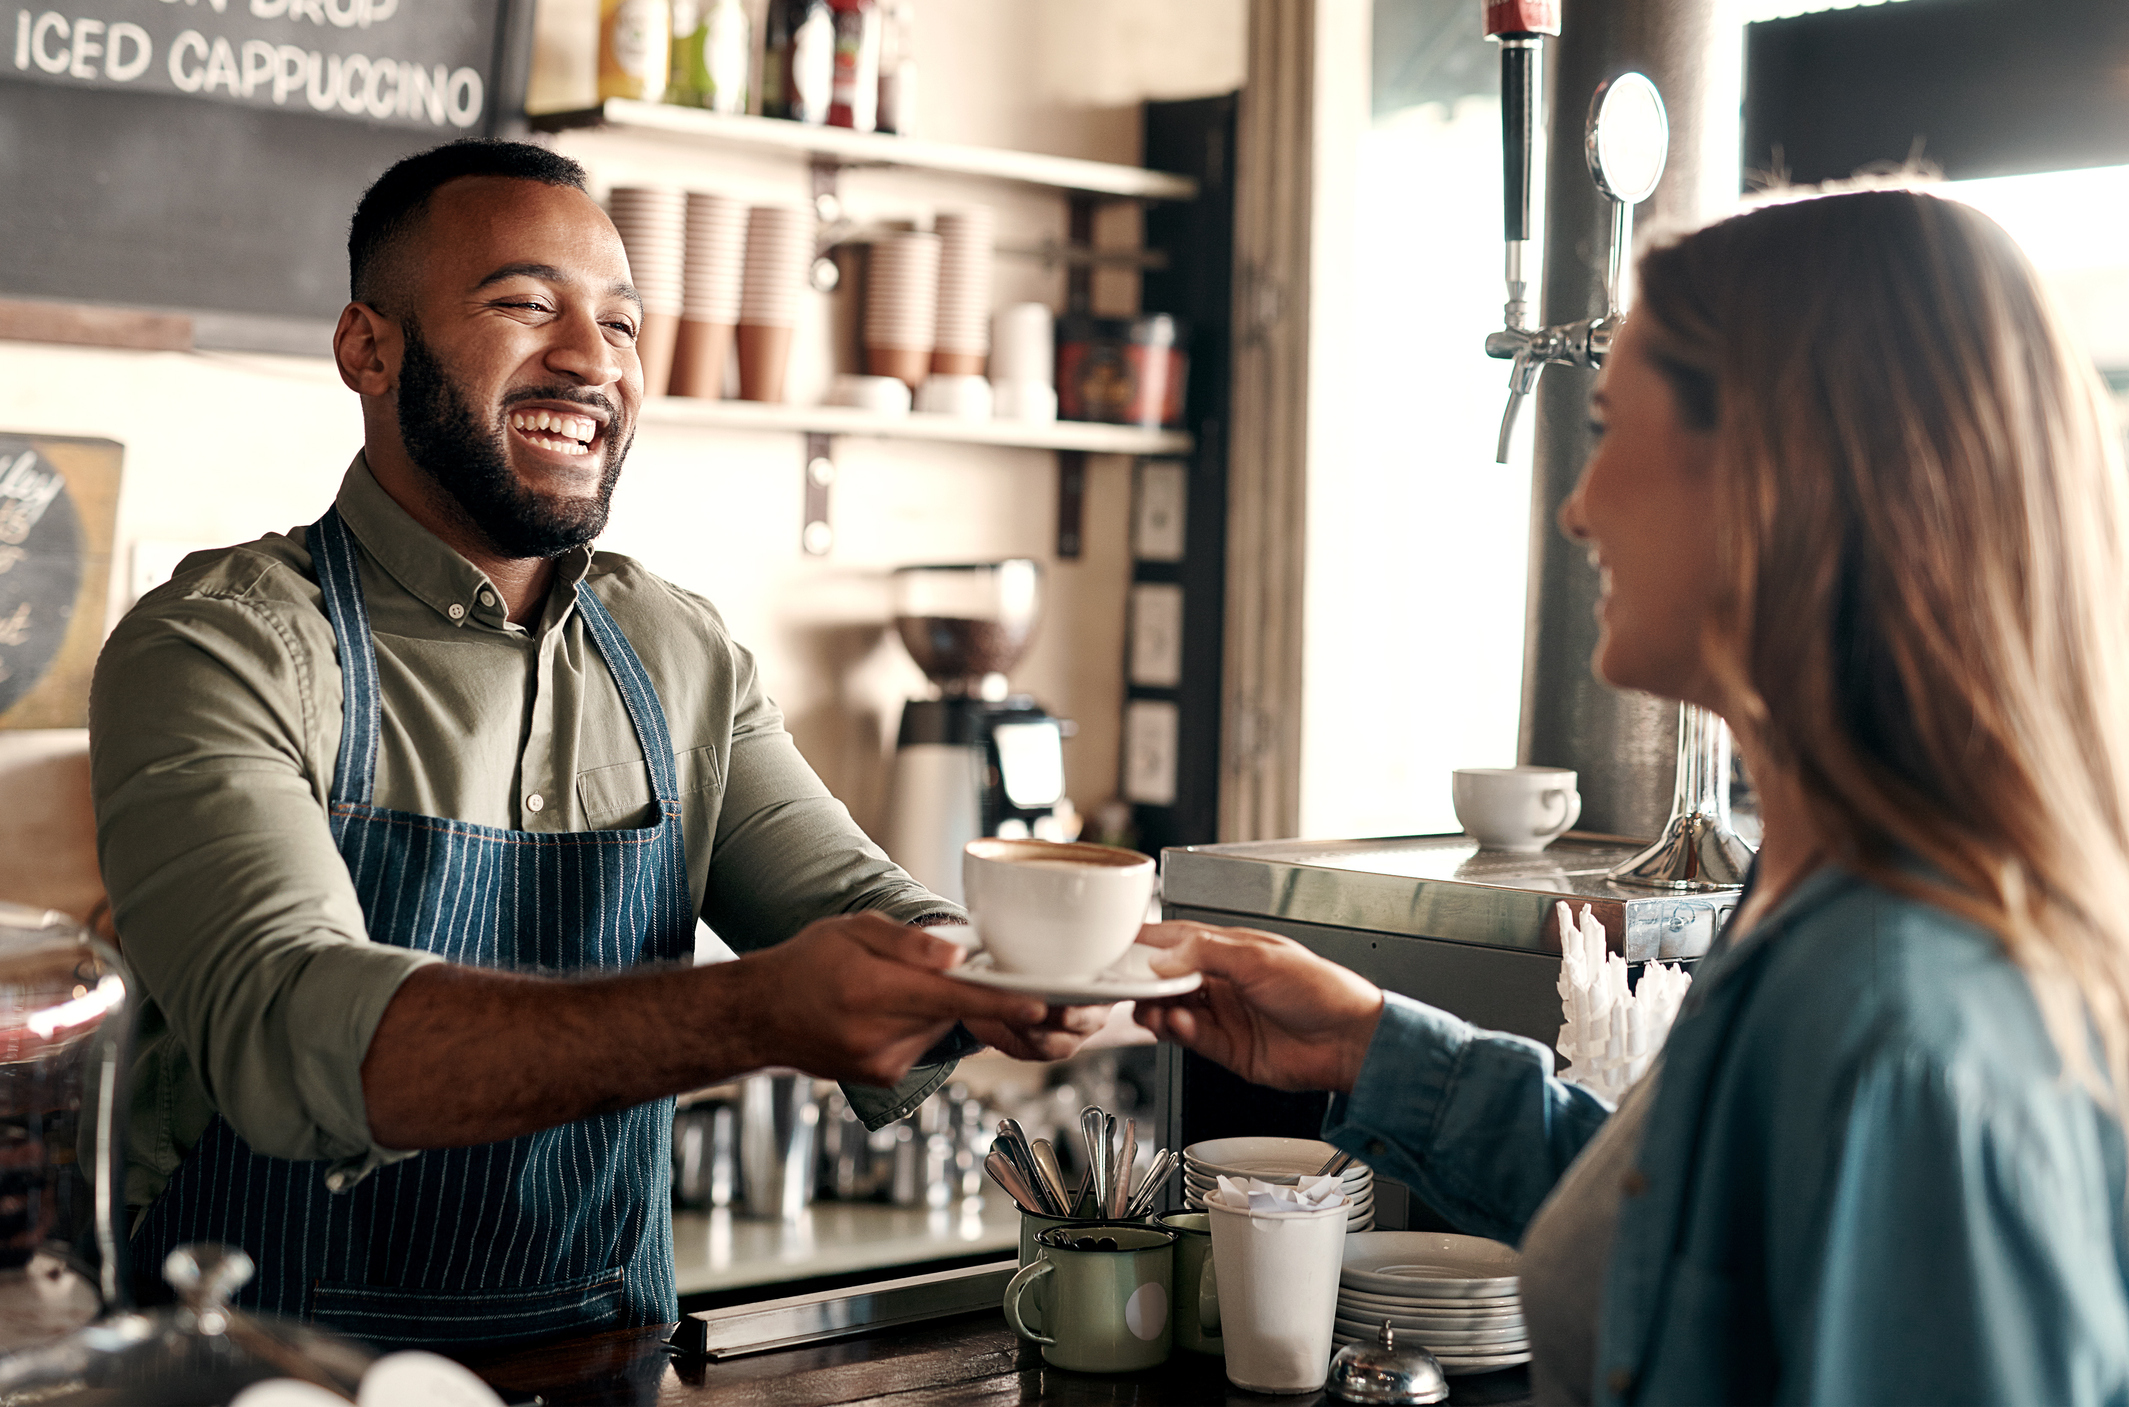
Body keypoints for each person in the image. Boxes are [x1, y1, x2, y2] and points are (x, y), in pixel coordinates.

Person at [88, 139, 1111, 1345]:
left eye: (621, 326)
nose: (589, 360)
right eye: (525, 305)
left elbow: (850, 901)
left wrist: (1017, 976)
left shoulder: (675, 652)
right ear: (368, 347)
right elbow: (289, 1029)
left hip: (604, 1365)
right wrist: (752, 1013)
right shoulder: (221, 647)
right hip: (267, 1375)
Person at [1136, 188, 2129, 1405]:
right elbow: (1681, 1251)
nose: (1578, 504)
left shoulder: (1896, 1032)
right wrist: (1369, 1047)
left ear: (1778, 476)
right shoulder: (1804, 900)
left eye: (1609, 428)